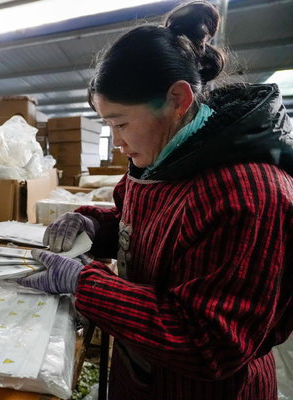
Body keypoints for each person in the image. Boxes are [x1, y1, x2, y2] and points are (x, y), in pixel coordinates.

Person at [17, 1, 293, 399]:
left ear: (178, 99)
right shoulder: (161, 161)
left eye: (121, 123)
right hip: (143, 371)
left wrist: (85, 284)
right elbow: (141, 225)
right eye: (108, 125)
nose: (116, 140)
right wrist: (93, 223)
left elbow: (209, 342)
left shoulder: (247, 194)